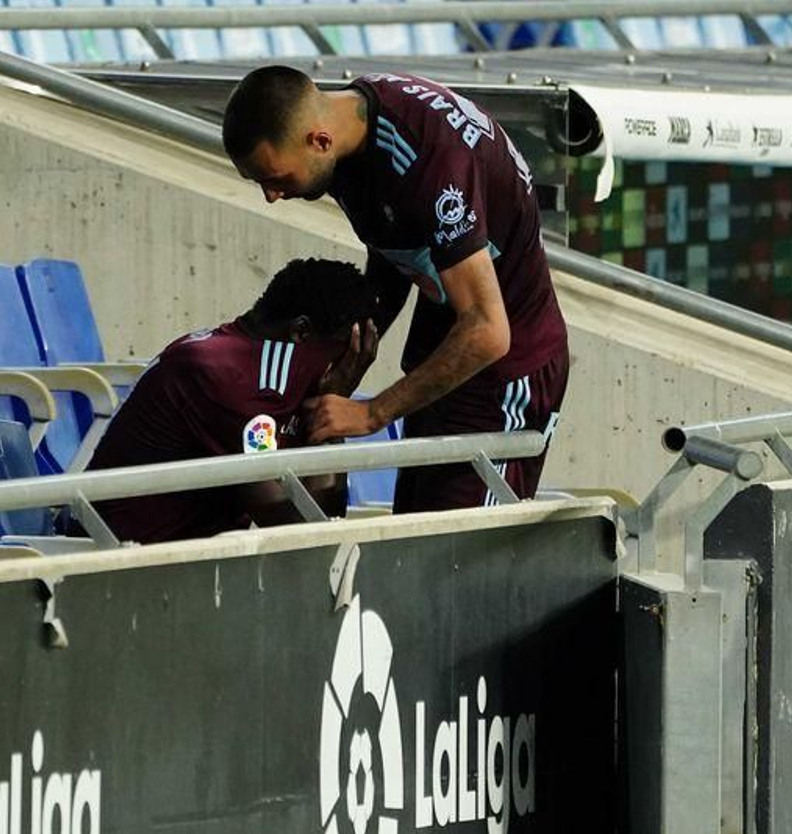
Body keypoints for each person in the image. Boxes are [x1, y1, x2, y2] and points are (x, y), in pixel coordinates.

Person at [222, 66, 570, 512]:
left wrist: (373, 412)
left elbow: (488, 330)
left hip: (505, 374)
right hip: (441, 354)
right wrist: (348, 356)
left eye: (276, 179)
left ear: (319, 141)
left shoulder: (430, 163)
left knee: (460, 549)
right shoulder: (345, 141)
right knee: (414, 535)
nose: (271, 196)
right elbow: (394, 249)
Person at [85, 258, 379, 544]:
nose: (345, 370)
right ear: (301, 331)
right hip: (111, 559)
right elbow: (302, 531)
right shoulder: (228, 376)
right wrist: (332, 411)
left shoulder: (253, 364)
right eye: (345, 354)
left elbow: (324, 524)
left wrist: (331, 413)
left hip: (175, 557)